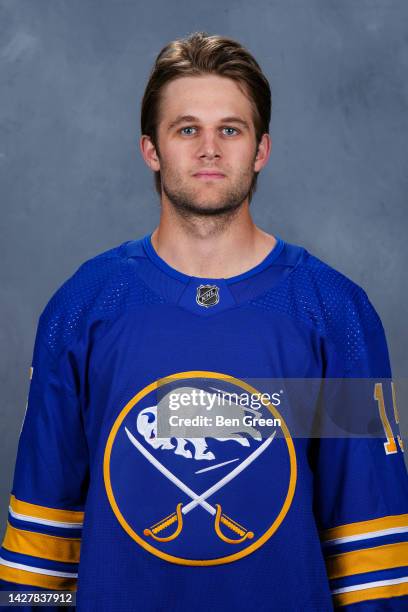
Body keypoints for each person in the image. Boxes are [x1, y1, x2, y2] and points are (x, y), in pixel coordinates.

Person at [0, 31, 407, 612]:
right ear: (151, 150)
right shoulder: (84, 306)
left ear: (261, 149)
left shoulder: (334, 312)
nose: (209, 149)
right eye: (187, 129)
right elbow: (42, 545)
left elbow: (372, 546)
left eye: (230, 129)